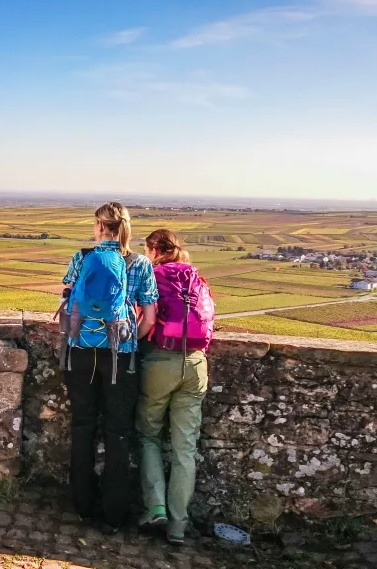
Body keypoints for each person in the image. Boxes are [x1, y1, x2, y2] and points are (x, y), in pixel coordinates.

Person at [60, 202, 157, 533]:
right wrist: (131, 345)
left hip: (81, 353)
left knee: (83, 425)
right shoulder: (140, 263)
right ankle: (115, 512)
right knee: (117, 431)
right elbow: (150, 317)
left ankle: (83, 504)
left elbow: (68, 300)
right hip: (121, 355)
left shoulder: (82, 258)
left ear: (100, 227)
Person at [136, 229, 213, 545]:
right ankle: (178, 527)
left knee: (148, 434)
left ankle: (156, 508)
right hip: (196, 364)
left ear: (153, 249)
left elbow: (147, 321)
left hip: (160, 361)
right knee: (185, 449)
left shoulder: (153, 276)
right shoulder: (196, 277)